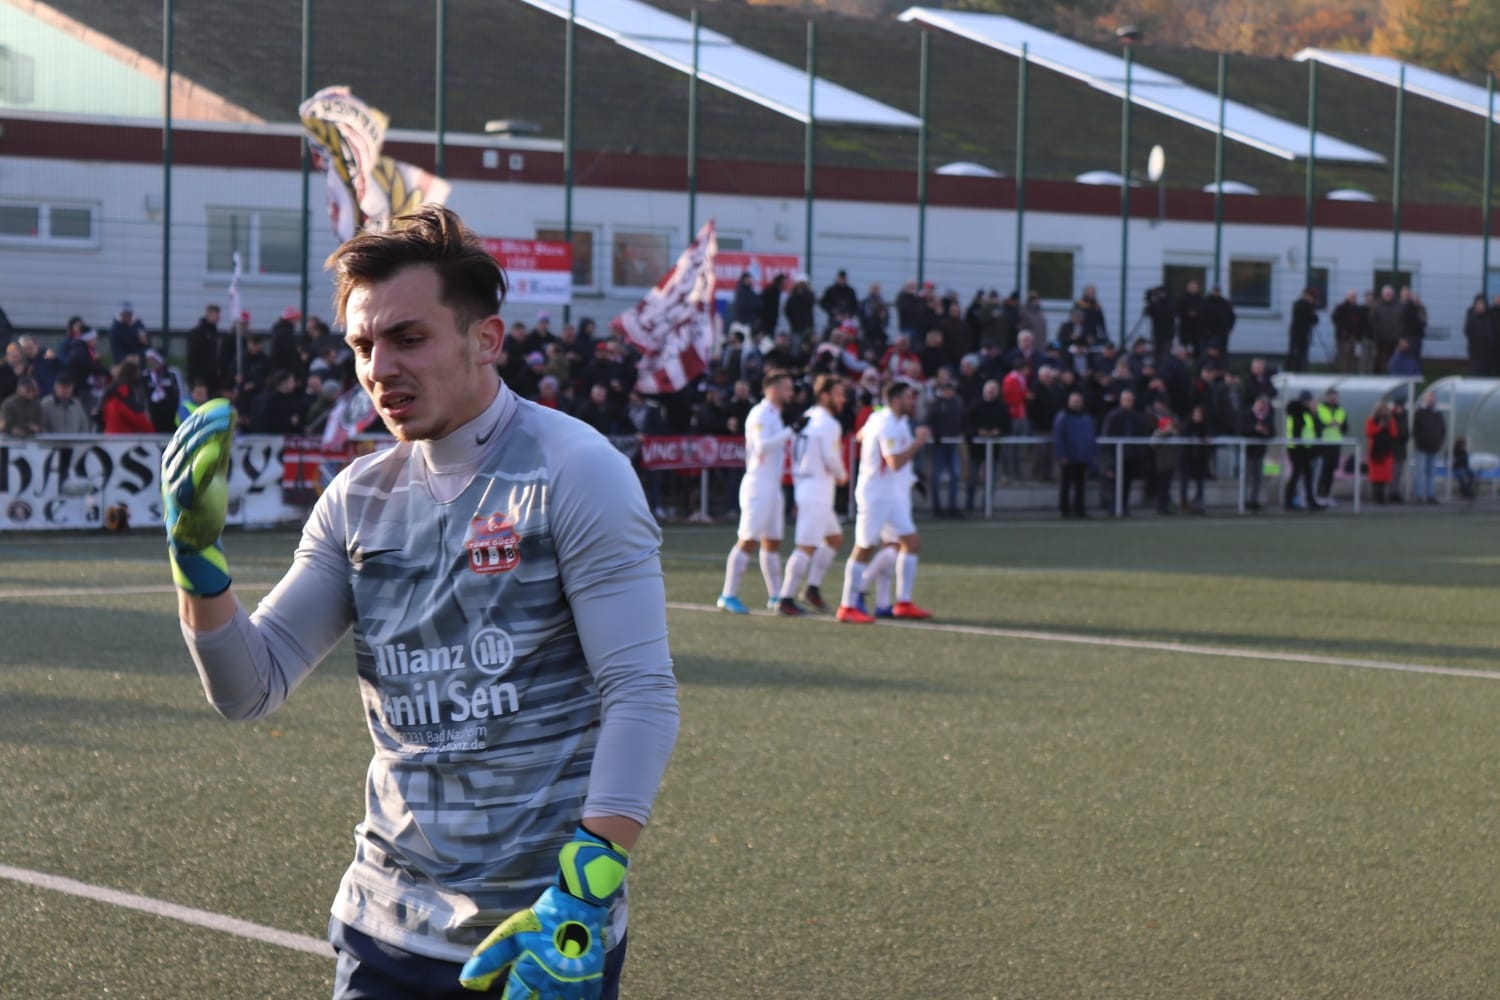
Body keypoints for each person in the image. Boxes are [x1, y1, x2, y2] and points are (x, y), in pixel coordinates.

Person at [160, 206, 678, 1000]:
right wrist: (198, 567)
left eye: (408, 338)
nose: (380, 369)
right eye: (362, 346)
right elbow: (248, 689)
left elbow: (640, 691)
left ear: (486, 339)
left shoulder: (576, 470)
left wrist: (583, 895)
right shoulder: (357, 497)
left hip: (539, 934)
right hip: (384, 929)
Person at [836, 380, 932, 624]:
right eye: (908, 397)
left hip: (893, 494)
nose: (912, 402)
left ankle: (899, 602)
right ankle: (847, 604)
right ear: (897, 400)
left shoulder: (888, 419)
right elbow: (894, 462)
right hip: (876, 495)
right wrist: (918, 442)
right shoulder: (886, 423)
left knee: (909, 543)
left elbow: (861, 436)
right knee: (865, 547)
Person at [718, 369, 795, 614]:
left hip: (773, 485)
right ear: (773, 389)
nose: (791, 393)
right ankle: (728, 594)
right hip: (758, 484)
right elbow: (762, 447)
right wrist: (789, 432)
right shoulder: (760, 414)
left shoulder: (775, 415)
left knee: (772, 541)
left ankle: (776, 596)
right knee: (748, 538)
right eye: (786, 388)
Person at [779, 374, 849, 615]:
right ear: (824, 395)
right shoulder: (829, 423)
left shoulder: (807, 417)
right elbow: (831, 457)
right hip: (816, 487)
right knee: (806, 546)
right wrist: (842, 475)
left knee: (834, 538)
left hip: (808, 484)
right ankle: (786, 598)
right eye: (838, 394)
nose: (843, 399)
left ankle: (812, 588)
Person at [1052, 390, 1096, 519]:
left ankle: (1079, 509)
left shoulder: (1086, 417)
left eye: (1078, 401)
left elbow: (1090, 437)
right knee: (1066, 484)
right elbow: (1058, 438)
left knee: (1080, 485)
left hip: (1082, 456)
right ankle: (1064, 509)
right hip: (1069, 456)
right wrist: (1062, 455)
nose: (1076, 404)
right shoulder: (1063, 417)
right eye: (1074, 401)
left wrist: (1091, 453)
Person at [1283, 389, 1325, 511]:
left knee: (1307, 474)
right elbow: (1297, 429)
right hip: (1297, 448)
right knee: (1297, 474)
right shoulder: (1297, 411)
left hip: (1304, 448)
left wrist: (1314, 413)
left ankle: (1310, 500)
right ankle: (1289, 501)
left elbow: (1315, 428)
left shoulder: (1305, 413)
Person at [101, 357, 155, 434]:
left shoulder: (112, 389)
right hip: (123, 435)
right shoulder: (124, 391)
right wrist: (150, 430)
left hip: (111, 434)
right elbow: (132, 413)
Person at [1240, 395, 1275, 512]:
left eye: (1264, 404)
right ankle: (1243, 500)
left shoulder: (1268, 417)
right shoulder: (1246, 414)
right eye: (1260, 403)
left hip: (1259, 451)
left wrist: (1265, 431)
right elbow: (1241, 429)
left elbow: (1272, 433)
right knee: (1245, 476)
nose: (1262, 407)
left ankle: (1254, 500)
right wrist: (1254, 428)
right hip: (1247, 451)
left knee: (1257, 478)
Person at [1314, 387, 1347, 506]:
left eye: (1335, 396)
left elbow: (1345, 427)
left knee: (1331, 470)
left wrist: (1338, 425)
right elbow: (1317, 425)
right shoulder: (1320, 408)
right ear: (1327, 397)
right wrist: (1329, 424)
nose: (1333, 398)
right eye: (1331, 396)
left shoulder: (1341, 410)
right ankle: (1319, 494)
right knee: (1323, 470)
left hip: (1336, 444)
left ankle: (1327, 495)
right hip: (1323, 444)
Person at [1411, 392, 1445, 505]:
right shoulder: (1420, 413)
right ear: (1425, 400)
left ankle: (1430, 495)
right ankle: (1419, 496)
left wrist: (1438, 443)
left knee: (1431, 473)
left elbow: (1442, 430)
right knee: (1420, 473)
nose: (1431, 401)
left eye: (1433, 399)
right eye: (1429, 399)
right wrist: (1418, 442)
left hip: (1433, 448)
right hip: (1421, 448)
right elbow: (1415, 430)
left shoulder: (1438, 414)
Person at [1366, 401, 1399, 504]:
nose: (1383, 412)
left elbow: (1394, 434)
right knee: (1375, 477)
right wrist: (1379, 426)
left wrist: (1389, 423)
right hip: (1375, 452)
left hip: (1386, 452)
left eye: (1385, 410)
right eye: (1381, 410)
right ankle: (1376, 496)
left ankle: (1382, 497)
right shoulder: (1371, 420)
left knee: (1385, 476)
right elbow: (1369, 432)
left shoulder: (1391, 421)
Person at [1286, 287, 1319, 373]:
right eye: (1311, 296)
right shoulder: (1298, 304)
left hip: (1305, 332)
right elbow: (1303, 316)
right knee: (1293, 350)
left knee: (1302, 352)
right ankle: (1289, 368)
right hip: (1296, 331)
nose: (1312, 299)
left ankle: (1299, 369)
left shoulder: (1311, 306)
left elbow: (1315, 320)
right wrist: (1311, 309)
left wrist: (1313, 311)